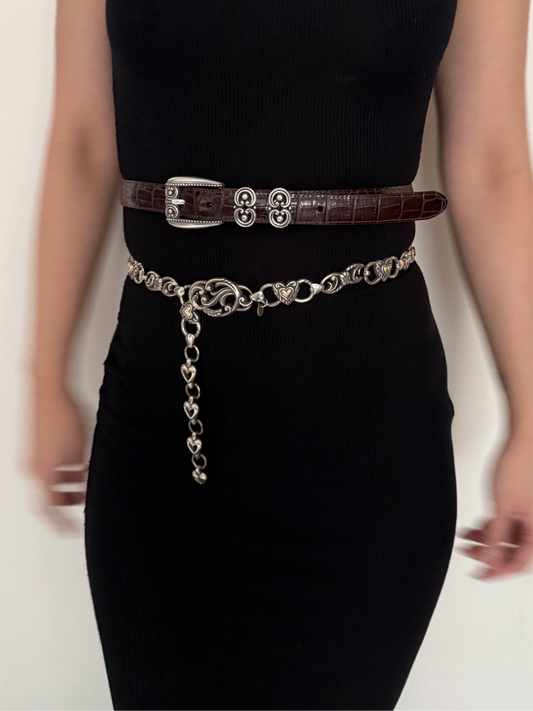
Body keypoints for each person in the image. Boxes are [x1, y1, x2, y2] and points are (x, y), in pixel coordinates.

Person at [28, 0, 533, 708]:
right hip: (161, 426)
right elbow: (82, 142)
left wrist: (531, 417)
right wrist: (44, 379)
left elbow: (493, 165)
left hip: (370, 443)